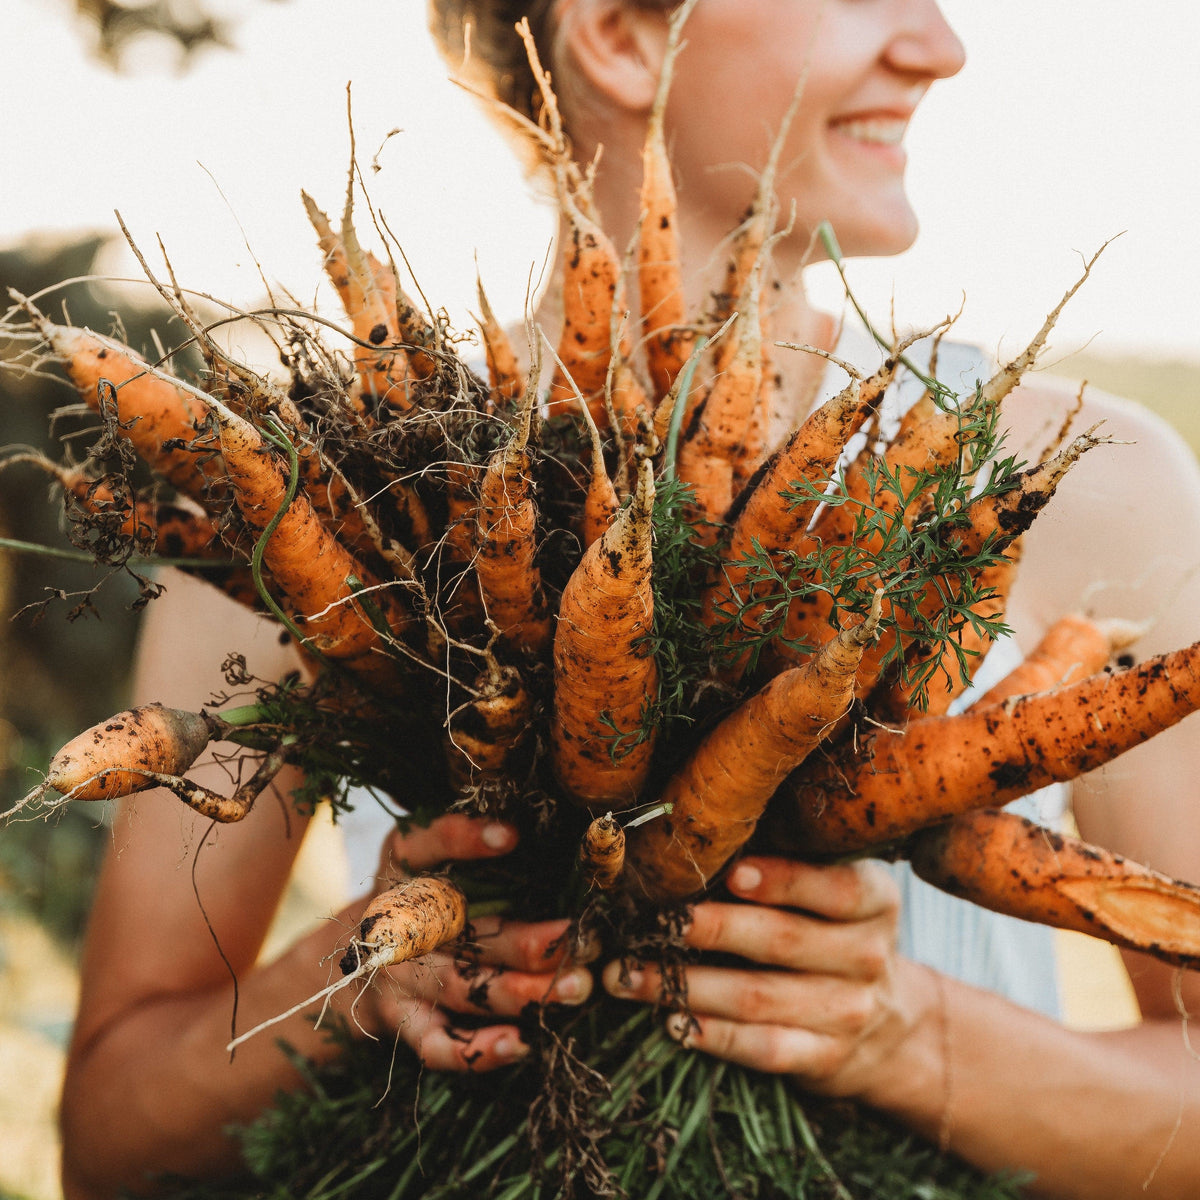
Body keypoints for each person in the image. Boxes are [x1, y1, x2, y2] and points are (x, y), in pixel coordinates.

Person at [59, 2, 1200, 1199]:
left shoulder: (1070, 483)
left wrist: (910, 1036)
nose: (941, 45)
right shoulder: (323, 510)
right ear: (617, 32)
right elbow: (111, 1148)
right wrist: (348, 980)